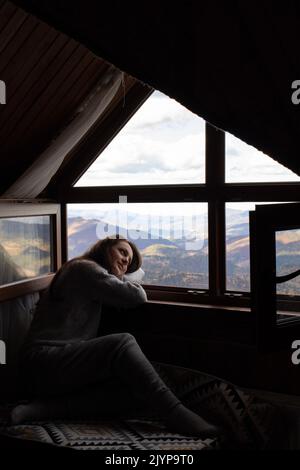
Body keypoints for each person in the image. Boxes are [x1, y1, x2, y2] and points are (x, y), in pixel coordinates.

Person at [11, 235, 219, 438]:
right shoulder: (84, 268)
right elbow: (137, 296)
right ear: (104, 248)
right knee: (122, 343)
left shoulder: (91, 275)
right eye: (122, 251)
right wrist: (128, 276)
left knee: (135, 392)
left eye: (129, 261)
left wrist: (122, 275)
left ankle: (40, 410)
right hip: (42, 362)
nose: (126, 260)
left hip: (56, 369)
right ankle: (175, 413)